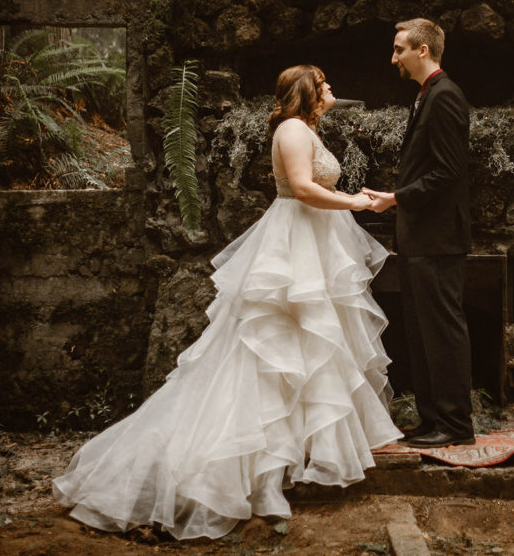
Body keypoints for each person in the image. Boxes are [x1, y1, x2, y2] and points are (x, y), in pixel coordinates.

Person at [53, 65, 402, 540]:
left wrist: (350, 200)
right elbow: (301, 188)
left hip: (311, 240)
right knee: (268, 354)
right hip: (294, 243)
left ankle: (283, 466)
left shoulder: (303, 128)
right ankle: (251, 477)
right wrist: (357, 204)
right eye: (326, 86)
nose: (333, 92)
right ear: (309, 94)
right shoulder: (294, 130)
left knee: (304, 353)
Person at [363, 18, 475, 449]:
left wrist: (396, 198)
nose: (394, 58)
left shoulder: (445, 97)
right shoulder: (426, 96)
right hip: (421, 237)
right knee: (423, 331)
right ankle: (432, 421)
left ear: (422, 50)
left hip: (439, 238)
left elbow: (448, 173)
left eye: (399, 50)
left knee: (443, 331)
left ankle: (455, 424)